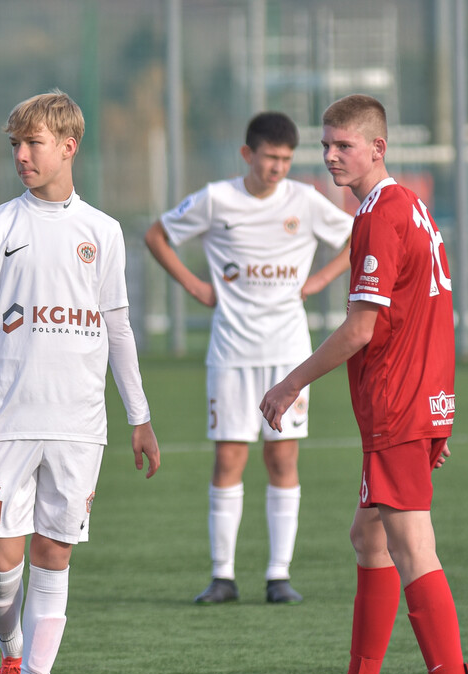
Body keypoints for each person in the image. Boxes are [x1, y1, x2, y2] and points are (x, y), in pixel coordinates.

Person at [262, 94, 468, 674]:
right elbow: (432, 313)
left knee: (413, 545)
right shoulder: (410, 205)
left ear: (377, 149)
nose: (329, 156)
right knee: (370, 537)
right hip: (415, 402)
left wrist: (290, 382)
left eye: (343, 146)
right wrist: (438, 411)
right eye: (325, 145)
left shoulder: (381, 215)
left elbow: (361, 328)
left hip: (397, 405)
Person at [0, 89, 160, 674]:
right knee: (1, 566)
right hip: (7, 421)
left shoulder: (102, 232)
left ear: (69, 146)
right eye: (15, 144)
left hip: (78, 425)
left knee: (53, 553)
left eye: (33, 143)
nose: (21, 155)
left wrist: (140, 415)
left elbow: (118, 326)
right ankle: (11, 655)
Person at [143, 112, 353, 605]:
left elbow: (355, 235)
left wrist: (320, 281)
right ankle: (223, 576)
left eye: (286, 159)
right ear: (247, 155)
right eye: (269, 158)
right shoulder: (218, 199)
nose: (277, 168)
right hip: (232, 351)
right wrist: (195, 285)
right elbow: (157, 235)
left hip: (288, 354)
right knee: (229, 456)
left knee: (282, 457)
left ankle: (279, 576)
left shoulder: (304, 201)